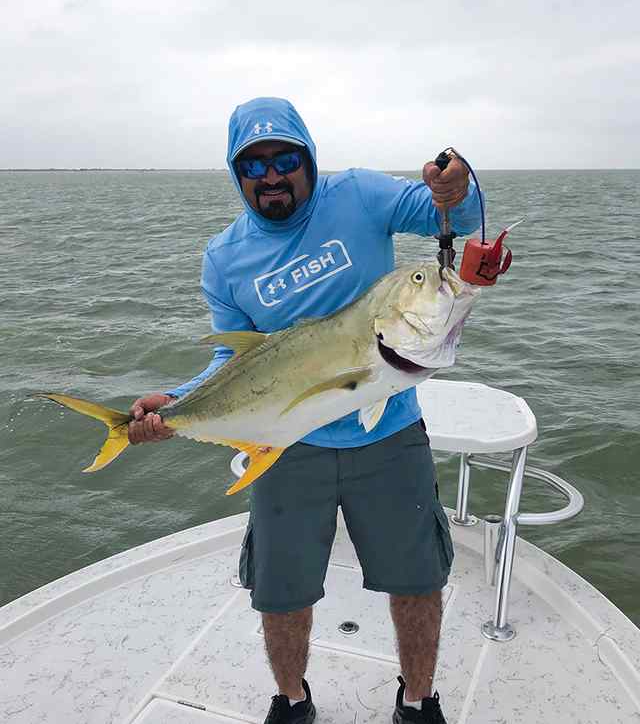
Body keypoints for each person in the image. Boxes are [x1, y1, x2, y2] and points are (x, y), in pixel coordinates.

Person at [128, 97, 481, 724]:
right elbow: (229, 362)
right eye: (253, 166)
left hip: (389, 434)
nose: (271, 176)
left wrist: (459, 183)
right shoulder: (225, 257)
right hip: (288, 446)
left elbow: (455, 216)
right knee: (281, 591)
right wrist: (178, 406)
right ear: (237, 176)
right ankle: (293, 703)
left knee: (417, 580)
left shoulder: (361, 196)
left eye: (284, 158)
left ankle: (418, 701)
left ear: (308, 158)